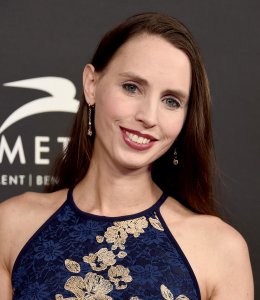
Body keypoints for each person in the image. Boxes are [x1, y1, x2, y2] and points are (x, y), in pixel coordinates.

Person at [0, 12, 253, 300]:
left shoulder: (221, 249)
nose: (148, 117)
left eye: (171, 101)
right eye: (132, 87)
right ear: (91, 85)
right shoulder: (11, 225)